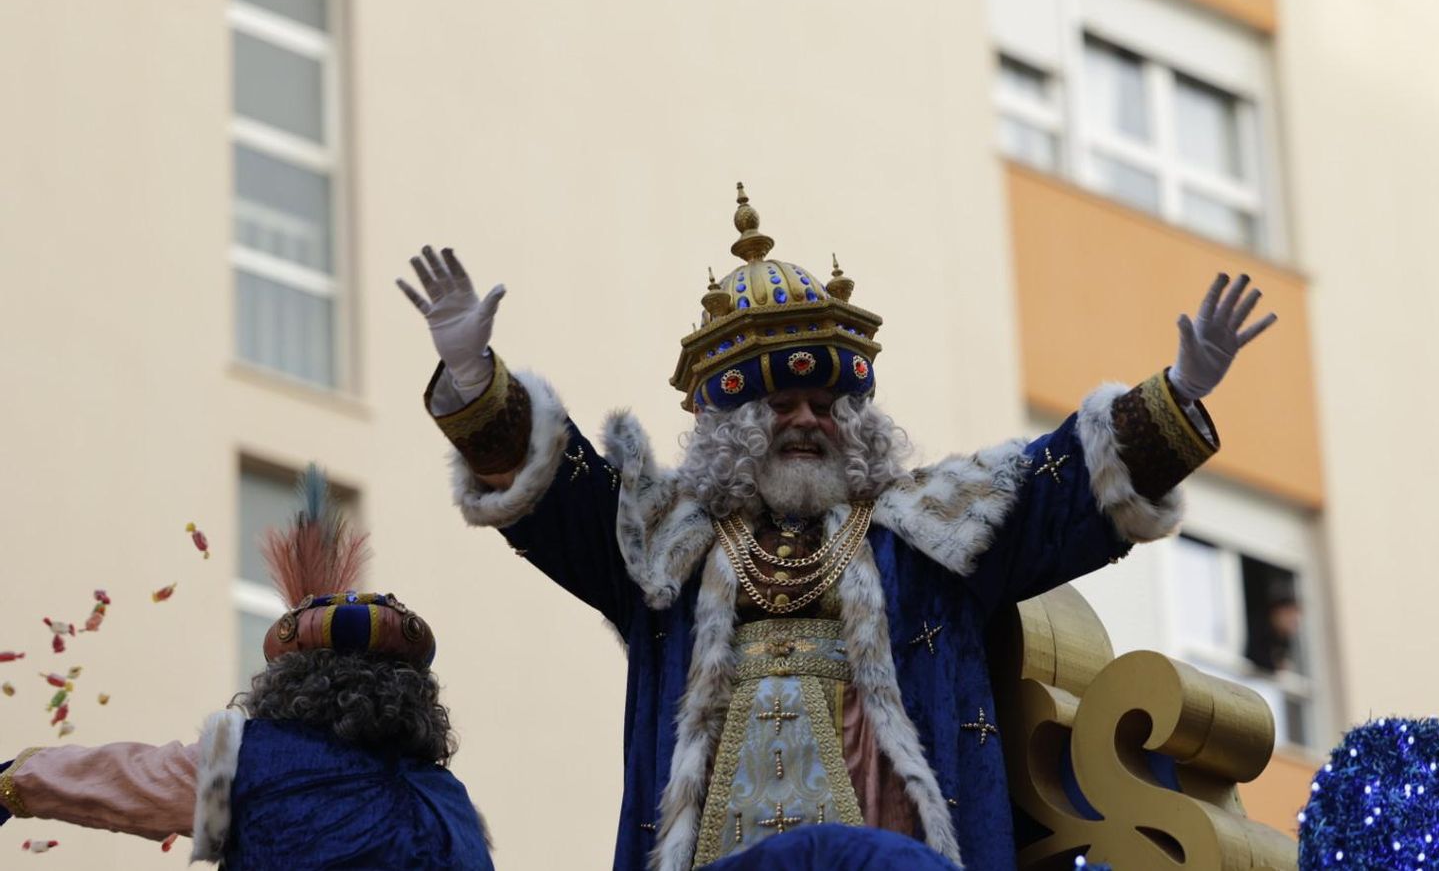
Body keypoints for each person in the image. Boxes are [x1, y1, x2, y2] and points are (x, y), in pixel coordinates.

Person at [399, 185, 1275, 871]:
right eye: (784, 402)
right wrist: (474, 377)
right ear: (732, 420)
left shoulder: (929, 530)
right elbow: (556, 493)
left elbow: (1065, 486)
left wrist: (1180, 395)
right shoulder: (661, 545)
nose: (809, 419)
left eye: (827, 401)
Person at [0, 467, 493, 869]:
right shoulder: (451, 801)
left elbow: (128, 780)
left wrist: (14, 780)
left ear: (293, 679)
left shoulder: (249, 757)